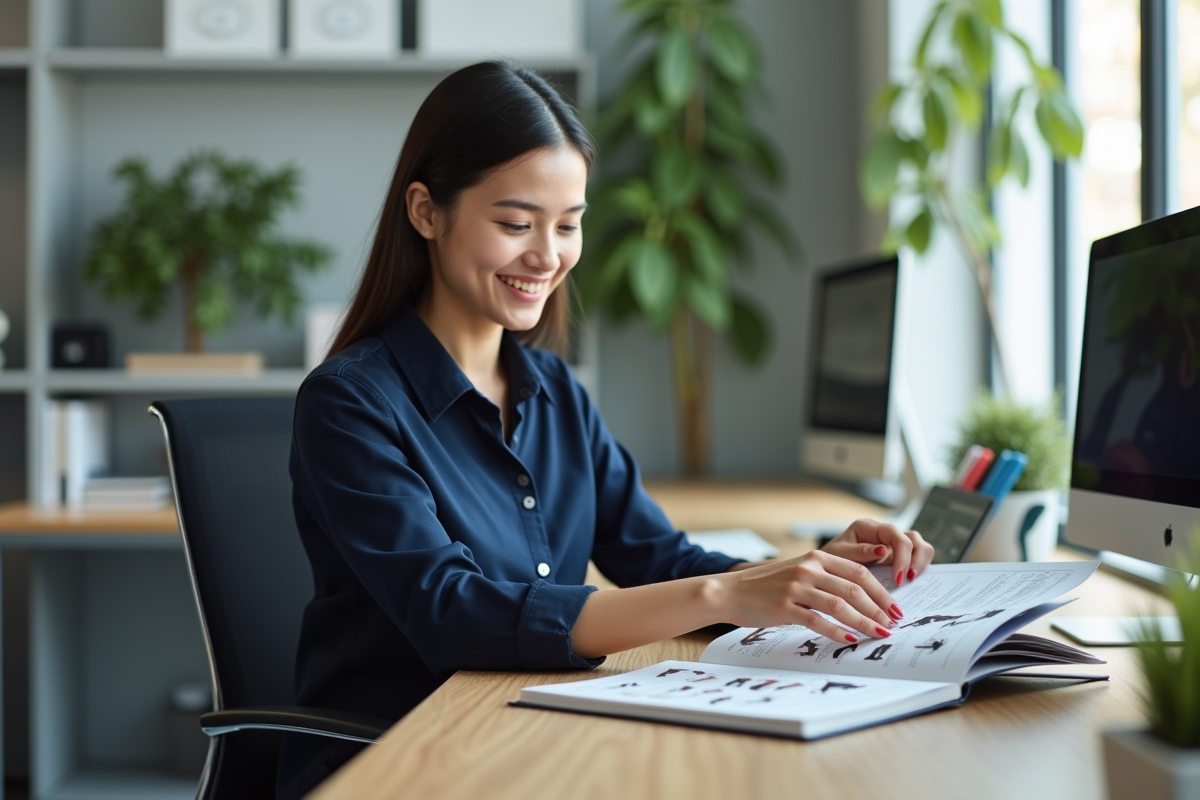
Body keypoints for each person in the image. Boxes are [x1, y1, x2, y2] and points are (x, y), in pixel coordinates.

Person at [278, 61, 934, 798]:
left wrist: (811, 577)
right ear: (427, 212)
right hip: (402, 757)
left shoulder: (555, 391)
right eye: (515, 224)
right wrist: (725, 596)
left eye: (569, 225)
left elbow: (656, 555)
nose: (548, 255)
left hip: (527, 731)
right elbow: (449, 611)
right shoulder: (350, 402)